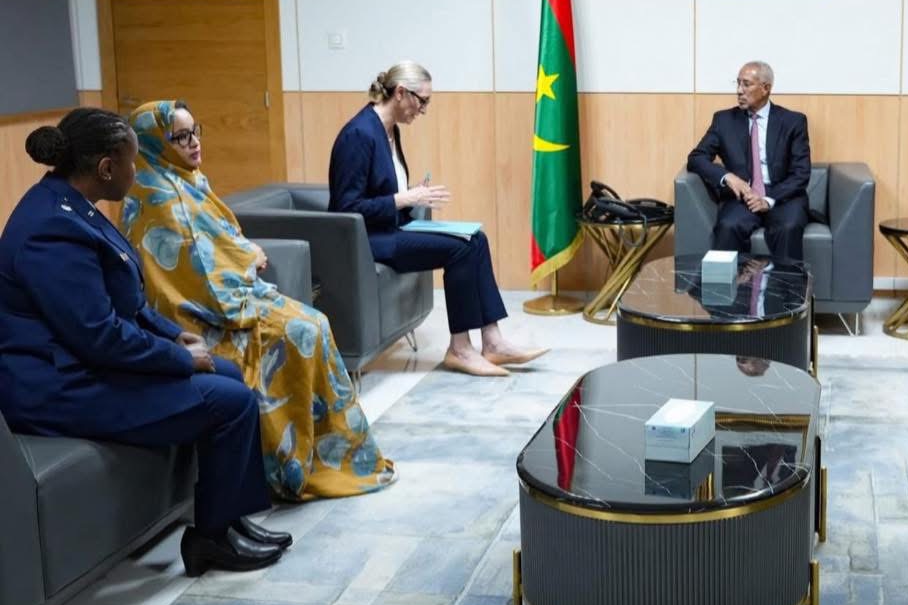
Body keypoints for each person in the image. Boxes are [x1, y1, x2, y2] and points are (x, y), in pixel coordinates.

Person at [0, 108, 291, 576]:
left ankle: (229, 519)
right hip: (57, 387)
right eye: (131, 162)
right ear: (106, 167)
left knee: (229, 373)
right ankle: (210, 539)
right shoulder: (50, 230)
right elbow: (98, 335)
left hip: (83, 365)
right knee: (231, 401)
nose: (136, 172)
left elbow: (125, 302)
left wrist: (171, 332)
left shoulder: (72, 206)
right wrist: (179, 359)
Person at [121, 100, 396, 502]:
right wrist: (247, 260)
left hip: (231, 296)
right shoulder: (159, 198)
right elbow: (195, 274)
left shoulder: (188, 180)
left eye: (195, 131)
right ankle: (291, 463)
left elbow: (220, 241)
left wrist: (244, 254)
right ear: (154, 143)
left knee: (314, 323)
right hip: (201, 317)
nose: (194, 142)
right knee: (301, 331)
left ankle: (328, 455)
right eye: (179, 136)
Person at [328, 60, 546, 377]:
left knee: (476, 239)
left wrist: (411, 193)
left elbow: (382, 189)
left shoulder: (389, 130)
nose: (424, 110)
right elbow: (346, 208)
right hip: (369, 240)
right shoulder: (359, 134)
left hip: (392, 227)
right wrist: (404, 199)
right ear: (400, 93)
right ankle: (460, 349)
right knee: (460, 249)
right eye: (422, 101)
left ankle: (493, 342)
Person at [687, 61, 812, 262]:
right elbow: (696, 158)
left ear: (765, 88)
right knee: (728, 226)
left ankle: (785, 284)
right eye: (738, 83)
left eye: (746, 84)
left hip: (783, 197)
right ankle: (726, 282)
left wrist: (767, 200)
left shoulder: (793, 121)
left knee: (788, 228)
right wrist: (728, 177)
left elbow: (801, 173)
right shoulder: (724, 120)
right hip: (742, 196)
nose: (739, 90)